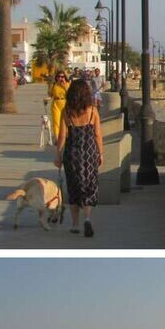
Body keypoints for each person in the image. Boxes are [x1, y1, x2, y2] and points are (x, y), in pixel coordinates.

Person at [54, 79, 102, 237]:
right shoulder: (92, 110)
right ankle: (87, 218)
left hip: (72, 154)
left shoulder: (67, 111)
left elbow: (62, 136)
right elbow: (97, 135)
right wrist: (100, 153)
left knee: (73, 189)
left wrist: (58, 156)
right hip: (89, 153)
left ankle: (75, 224)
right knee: (89, 187)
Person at [47, 70, 70, 143]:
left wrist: (64, 86)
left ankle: (66, 136)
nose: (61, 78)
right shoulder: (54, 85)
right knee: (56, 121)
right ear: (56, 77)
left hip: (65, 103)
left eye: (62, 76)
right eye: (59, 76)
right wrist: (46, 99)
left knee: (66, 121)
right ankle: (57, 138)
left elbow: (69, 94)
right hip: (56, 103)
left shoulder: (67, 84)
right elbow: (51, 95)